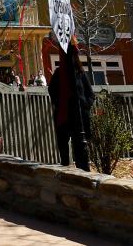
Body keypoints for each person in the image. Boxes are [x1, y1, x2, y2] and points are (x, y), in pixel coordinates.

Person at [47, 36, 94, 169]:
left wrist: (84, 106)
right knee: (64, 150)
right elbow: (52, 90)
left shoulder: (79, 73)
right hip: (64, 116)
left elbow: (90, 94)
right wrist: (59, 104)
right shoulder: (59, 74)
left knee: (80, 147)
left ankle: (83, 170)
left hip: (79, 116)